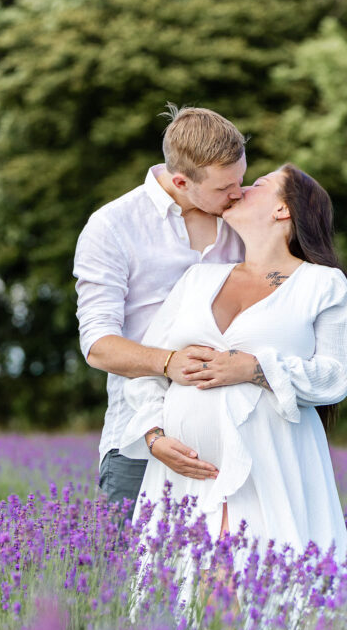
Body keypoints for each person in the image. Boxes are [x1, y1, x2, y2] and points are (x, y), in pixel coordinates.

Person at [118, 164, 347, 604]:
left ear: (283, 209)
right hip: (184, 474)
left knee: (269, 595)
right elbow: (151, 367)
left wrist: (254, 367)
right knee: (176, 602)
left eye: (258, 184)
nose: (239, 190)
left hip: (270, 463)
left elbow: (337, 375)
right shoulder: (199, 279)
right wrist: (153, 437)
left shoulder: (323, 286)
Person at [74, 105, 253, 512]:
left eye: (240, 179)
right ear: (180, 181)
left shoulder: (243, 221)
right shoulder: (112, 227)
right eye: (225, 187)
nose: (238, 194)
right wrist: (169, 361)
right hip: (139, 441)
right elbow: (98, 345)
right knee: (125, 573)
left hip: (230, 439)